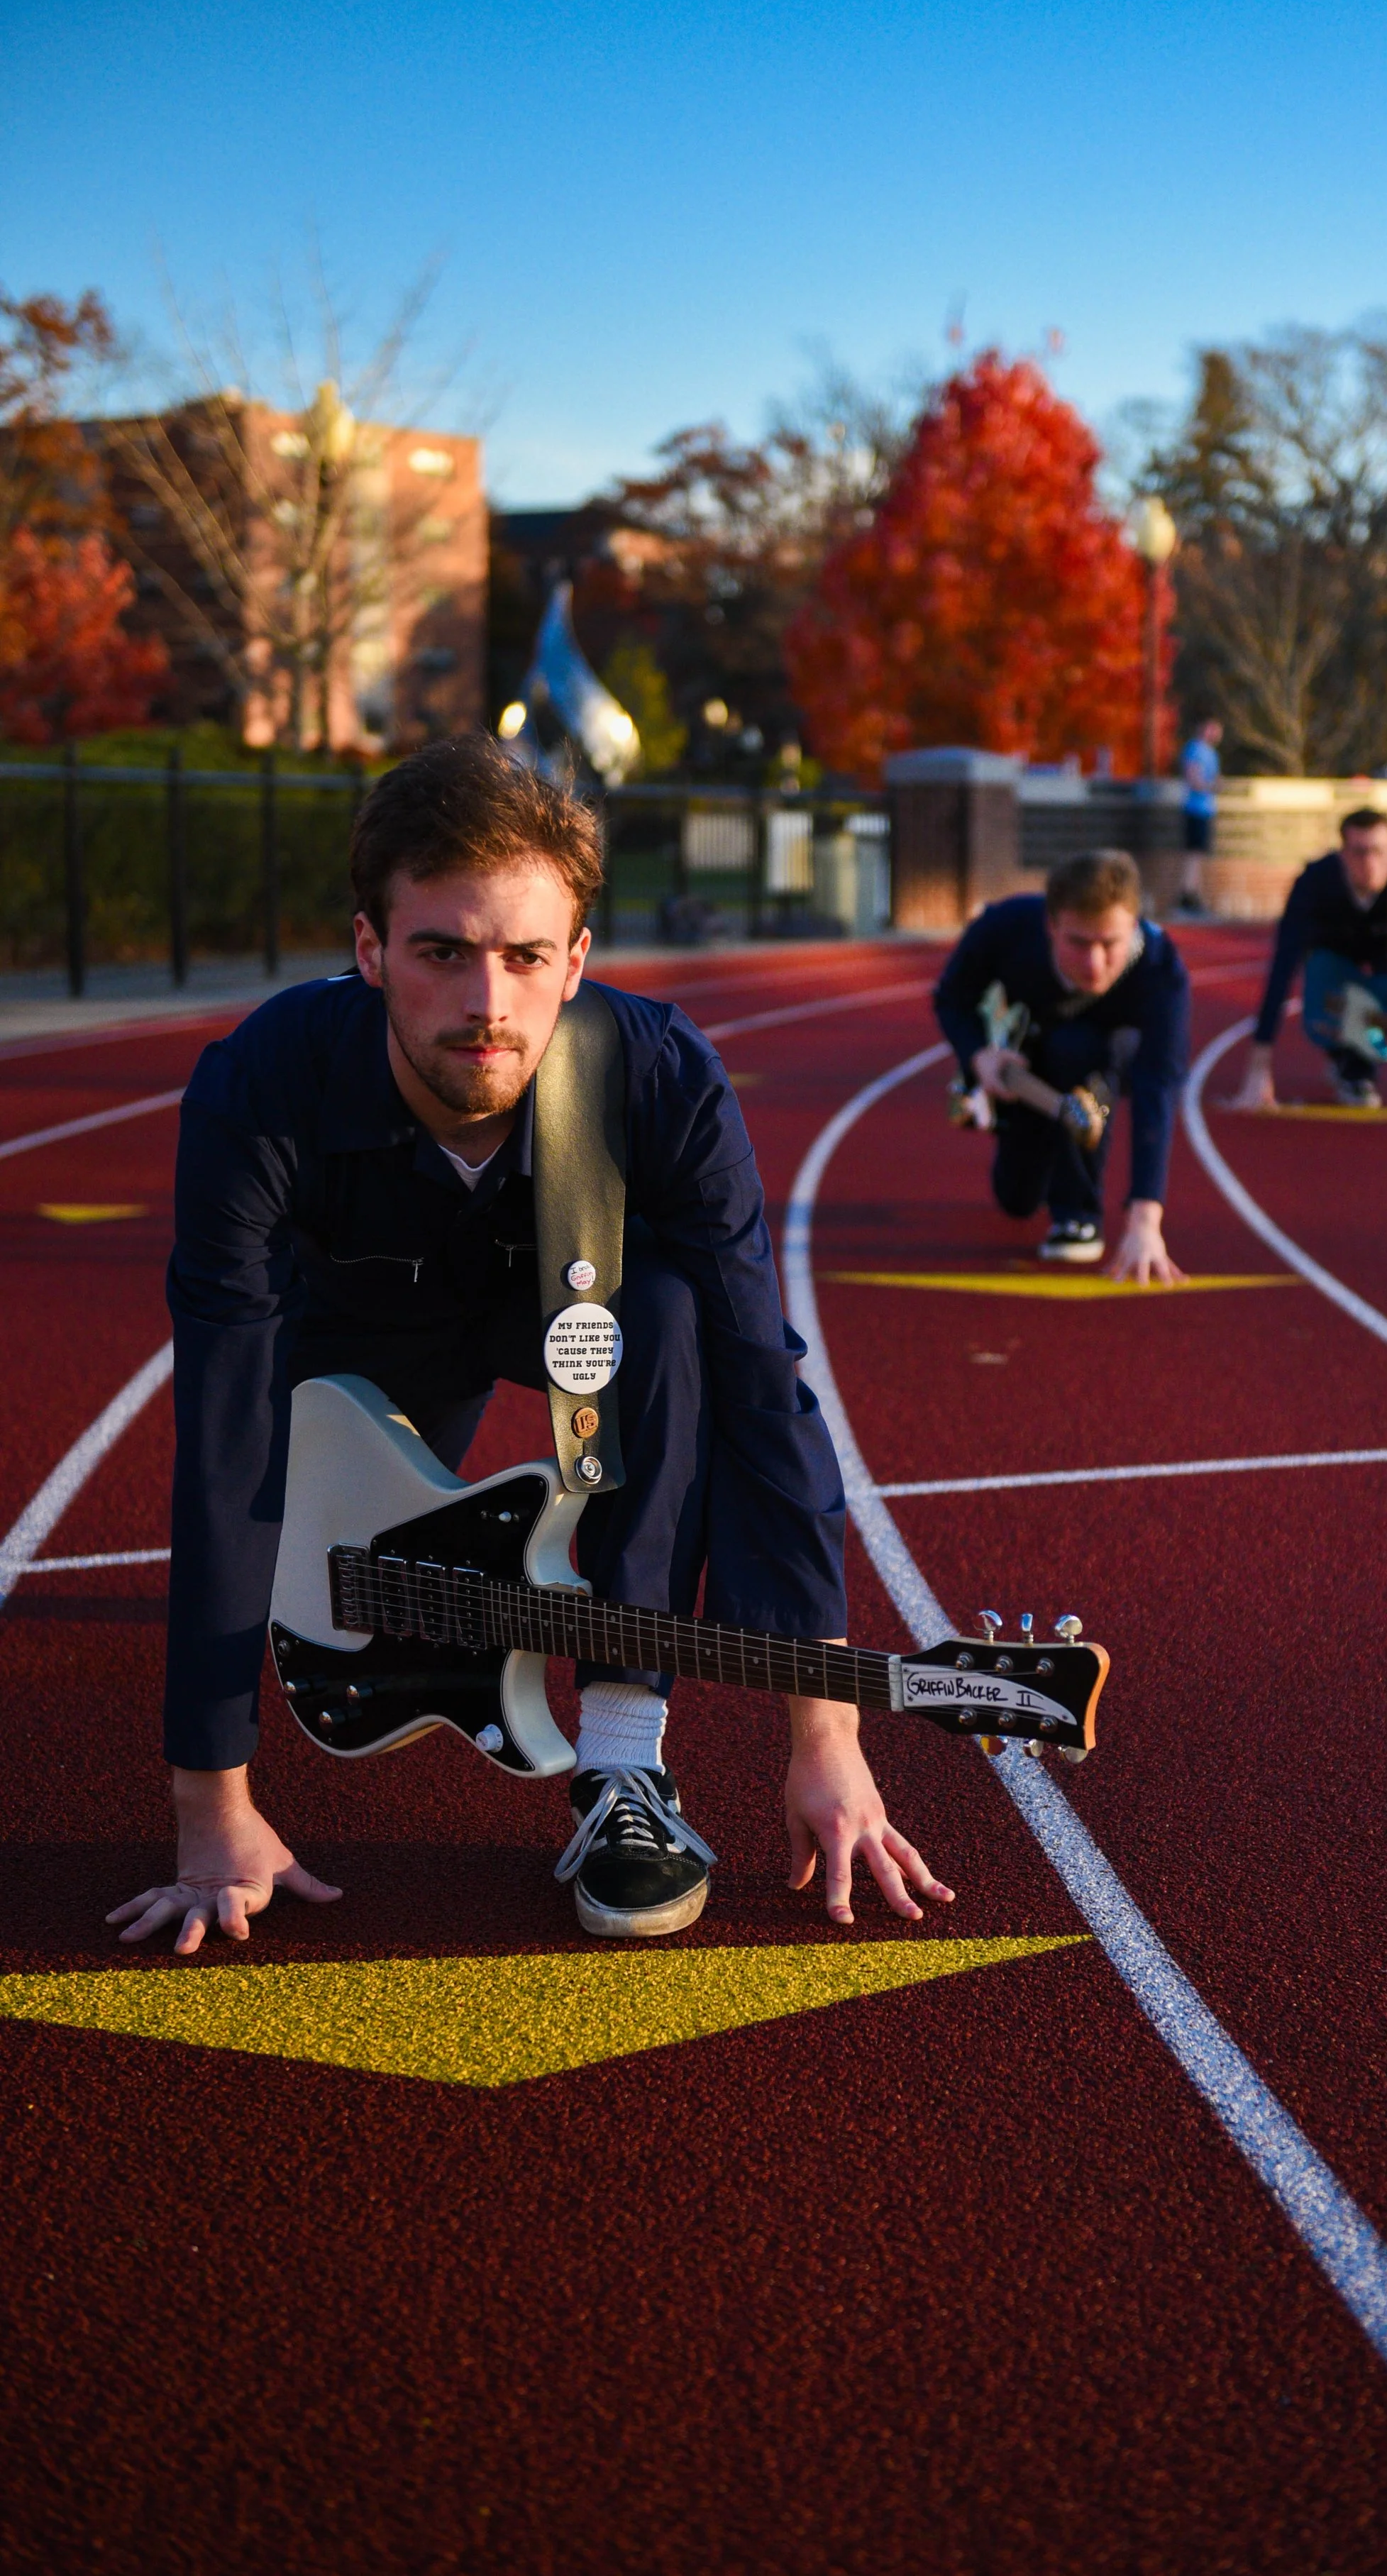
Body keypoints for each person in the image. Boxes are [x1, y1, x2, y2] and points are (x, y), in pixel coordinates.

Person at [109, 735, 951, 1959]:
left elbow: (765, 1396)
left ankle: (619, 1764)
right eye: (443, 952)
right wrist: (211, 1807)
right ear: (369, 952)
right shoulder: (260, 1091)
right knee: (320, 1595)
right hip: (356, 1337)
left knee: (673, 1318)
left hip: (578, 1318)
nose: (487, 1002)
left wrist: (828, 1739)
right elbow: (224, 1433)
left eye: (523, 957)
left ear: (576, 965)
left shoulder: (660, 1078)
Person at [934, 848, 1190, 1277]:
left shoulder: (1162, 971)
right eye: (1078, 943)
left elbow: (1158, 1085)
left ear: (1134, 925)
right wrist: (979, 1056)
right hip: (1029, 1064)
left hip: (1108, 1062)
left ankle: (1078, 1214)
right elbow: (951, 998)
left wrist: (1146, 1216)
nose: (1095, 963)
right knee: (1016, 1201)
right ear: (1050, 926)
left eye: (1110, 944)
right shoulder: (1005, 927)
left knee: (1084, 1049)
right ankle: (1045, 1156)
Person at [1234, 805, 1387, 1114]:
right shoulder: (1315, 881)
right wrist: (1259, 1064)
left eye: (1379, 852)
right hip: (1329, 965)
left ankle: (1357, 1066)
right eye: (1360, 853)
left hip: (1385, 968)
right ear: (1343, 855)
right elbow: (1283, 964)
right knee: (1324, 976)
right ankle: (1343, 1055)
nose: (1371, 864)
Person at [1174, 715, 1222, 915]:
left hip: (1207, 810)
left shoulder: (1212, 753)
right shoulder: (1195, 749)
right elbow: (1193, 779)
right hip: (1195, 809)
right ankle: (1187, 896)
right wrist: (1211, 786)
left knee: (1199, 855)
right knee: (1193, 855)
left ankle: (1194, 894)